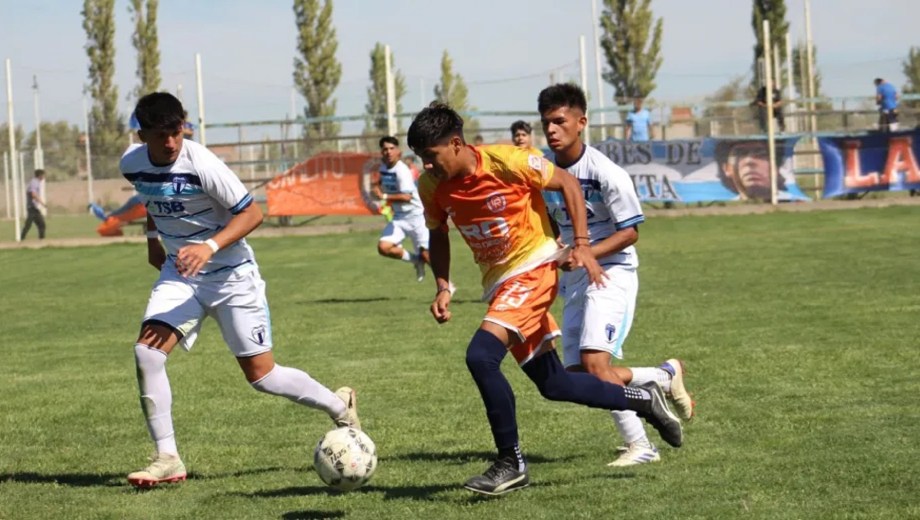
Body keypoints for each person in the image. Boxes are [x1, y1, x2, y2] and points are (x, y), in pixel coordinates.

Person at [409, 102, 682, 496]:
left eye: (431, 157)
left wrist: (584, 245)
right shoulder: (431, 185)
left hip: (533, 270)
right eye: (421, 159)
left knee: (480, 356)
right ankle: (642, 399)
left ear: (455, 144)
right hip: (500, 284)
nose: (427, 167)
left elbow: (569, 185)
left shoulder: (508, 161)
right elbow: (437, 232)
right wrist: (442, 285)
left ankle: (511, 462)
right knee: (555, 384)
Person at [121, 92, 360, 488]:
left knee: (262, 376)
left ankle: (340, 405)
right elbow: (152, 195)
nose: (170, 142)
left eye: (176, 131)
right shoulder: (131, 163)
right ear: (142, 134)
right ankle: (168, 458)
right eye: (161, 134)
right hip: (180, 275)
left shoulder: (202, 163)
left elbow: (252, 213)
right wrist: (152, 239)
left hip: (232, 276)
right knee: (146, 352)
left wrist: (210, 246)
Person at [539, 83, 694, 467]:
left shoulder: (606, 172)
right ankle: (660, 377)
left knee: (594, 367)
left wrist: (585, 251)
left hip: (611, 273)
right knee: (577, 376)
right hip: (574, 277)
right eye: (547, 123)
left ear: (582, 122)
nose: (552, 130)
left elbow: (631, 231)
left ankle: (642, 445)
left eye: (560, 121)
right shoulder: (543, 172)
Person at [371, 136, 429, 282]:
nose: (389, 152)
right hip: (399, 217)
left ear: (398, 151)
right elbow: (379, 181)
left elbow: (406, 197)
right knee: (384, 247)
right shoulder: (383, 166)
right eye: (385, 149)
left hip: (416, 217)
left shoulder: (402, 170)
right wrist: (376, 187)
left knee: (427, 255)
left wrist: (383, 195)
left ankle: (448, 287)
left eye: (392, 148)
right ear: (381, 152)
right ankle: (415, 260)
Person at [715, 139, 790, 201]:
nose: (749, 161)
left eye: (760, 154)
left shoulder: (793, 200)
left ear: (776, 167)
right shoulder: (730, 207)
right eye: (740, 154)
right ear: (727, 168)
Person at [20, 169, 47, 240]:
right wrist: (42, 203)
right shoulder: (34, 182)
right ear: (40, 175)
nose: (44, 177)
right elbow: (33, 194)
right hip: (32, 207)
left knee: (41, 224)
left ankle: (41, 240)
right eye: (43, 175)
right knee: (30, 224)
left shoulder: (36, 182)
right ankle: (22, 239)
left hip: (33, 207)